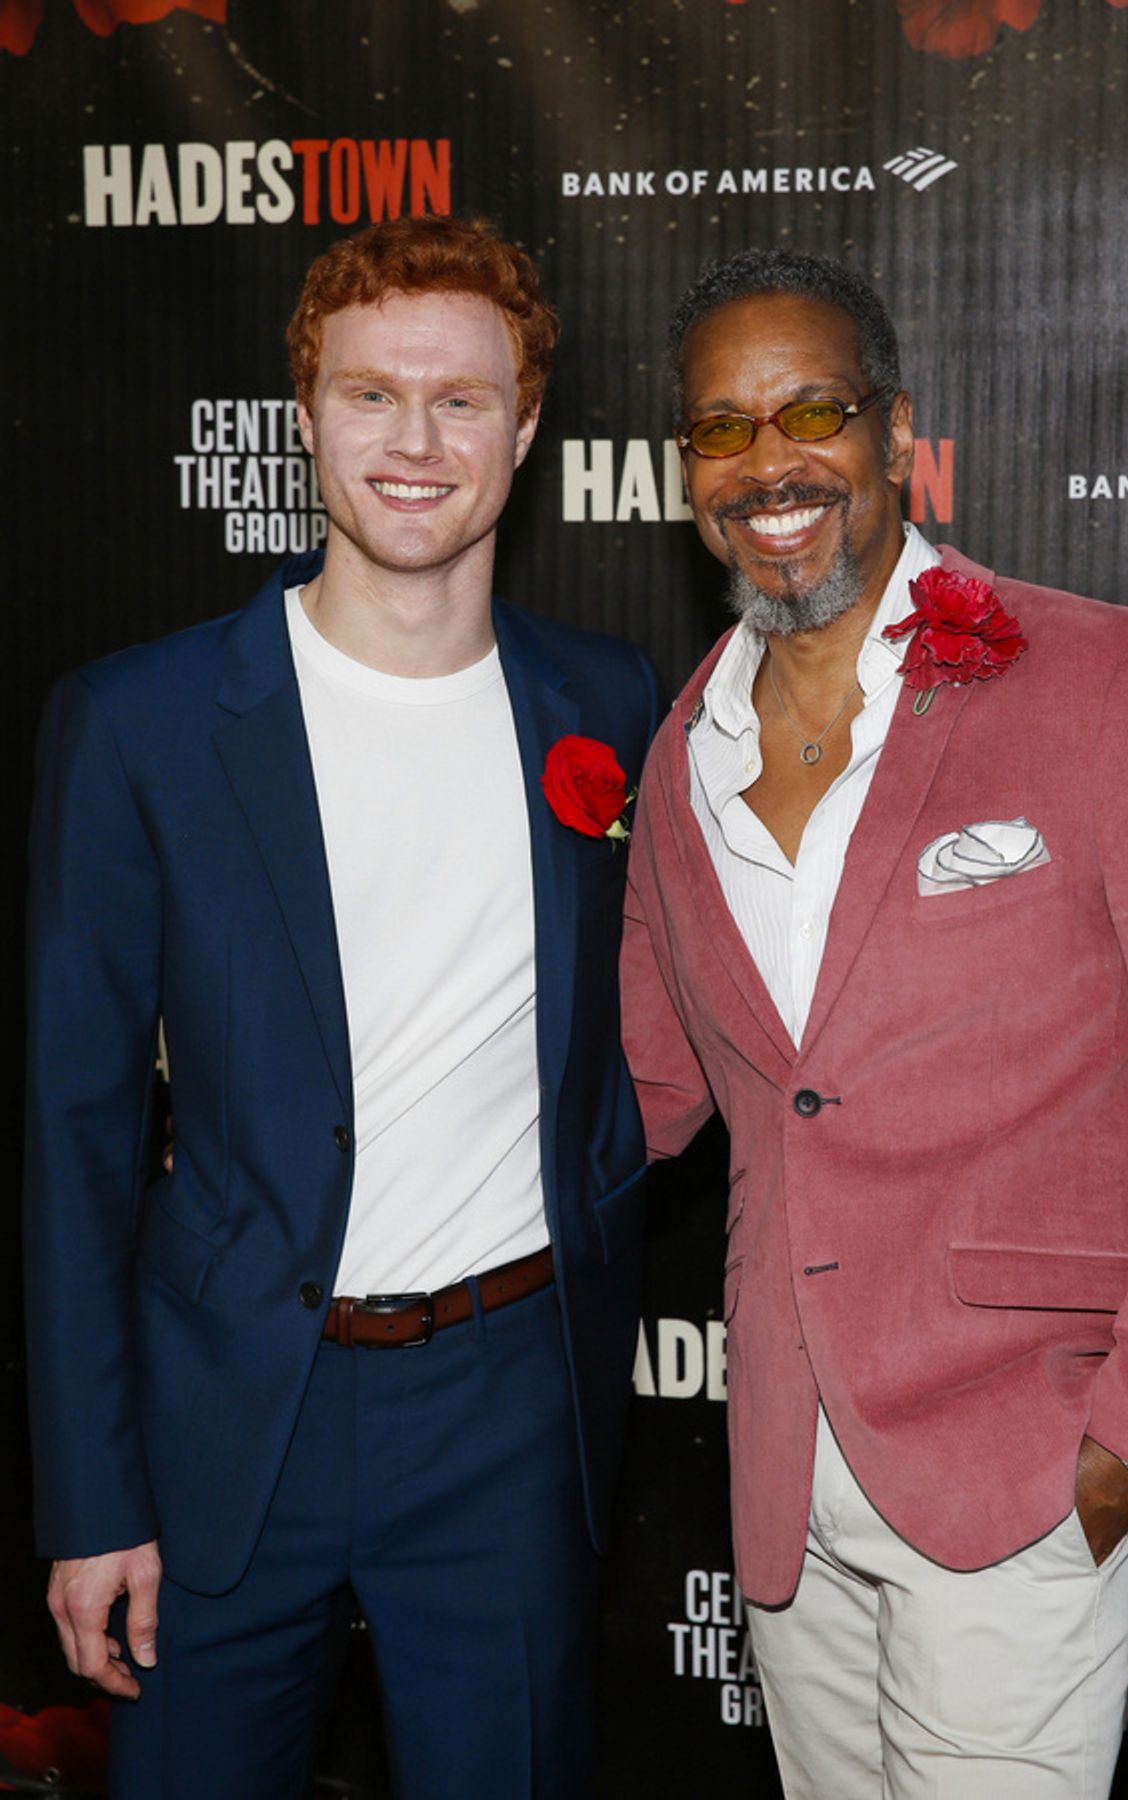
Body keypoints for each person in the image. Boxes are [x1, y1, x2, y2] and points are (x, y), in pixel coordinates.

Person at [24, 214, 662, 1799]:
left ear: (525, 429)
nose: (416, 440)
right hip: (227, 1414)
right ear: (305, 415)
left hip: (509, 1415)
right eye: (372, 394)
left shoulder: (612, 705)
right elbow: (73, 1138)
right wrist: (89, 1498)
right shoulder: (140, 722)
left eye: (462, 399)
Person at [620, 246, 1128, 1797]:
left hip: (1025, 1470)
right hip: (789, 1487)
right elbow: (650, 1102)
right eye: (723, 428)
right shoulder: (682, 751)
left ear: (896, 433)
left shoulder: (1112, 685)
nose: (769, 462)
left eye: (811, 408)